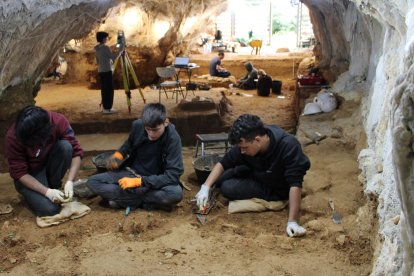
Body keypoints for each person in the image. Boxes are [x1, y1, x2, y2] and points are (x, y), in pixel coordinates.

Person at [195, 114, 310, 237]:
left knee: (227, 187)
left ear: (257, 140)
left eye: (244, 148)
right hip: (255, 171)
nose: (242, 151)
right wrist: (205, 187)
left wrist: (292, 221)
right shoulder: (247, 141)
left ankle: (265, 193)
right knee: (219, 178)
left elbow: (295, 184)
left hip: (274, 186)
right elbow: (223, 163)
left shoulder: (289, 146)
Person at [85, 103, 184, 211]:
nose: (151, 134)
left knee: (175, 194)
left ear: (166, 122)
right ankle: (146, 202)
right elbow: (128, 144)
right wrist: (118, 155)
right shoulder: (138, 125)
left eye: (155, 130)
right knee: (92, 182)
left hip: (156, 179)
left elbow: (172, 176)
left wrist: (139, 182)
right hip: (132, 173)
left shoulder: (173, 139)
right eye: (148, 129)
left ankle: (125, 200)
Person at [5, 106, 83, 216]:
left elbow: (76, 152)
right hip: (29, 175)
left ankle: (53, 185)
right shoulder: (13, 136)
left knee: (65, 147)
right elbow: (20, 173)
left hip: (49, 164)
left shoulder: (58, 121)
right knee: (50, 210)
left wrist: (70, 181)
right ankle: (39, 193)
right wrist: (47, 192)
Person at [95, 31, 117, 114]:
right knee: (109, 90)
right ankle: (107, 108)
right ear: (103, 38)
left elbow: (97, 62)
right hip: (107, 71)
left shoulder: (97, 48)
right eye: (106, 37)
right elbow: (113, 57)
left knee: (104, 90)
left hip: (101, 71)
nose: (107, 39)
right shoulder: (105, 47)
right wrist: (119, 51)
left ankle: (106, 107)